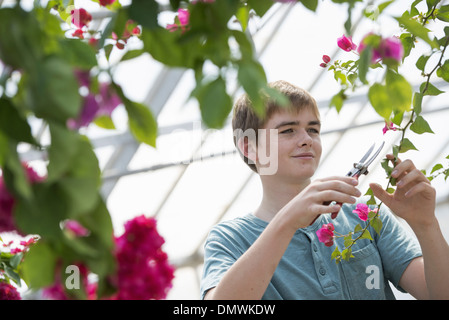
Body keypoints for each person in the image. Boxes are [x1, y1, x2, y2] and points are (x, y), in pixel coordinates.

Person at [200, 80, 449, 300]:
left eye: (313, 129)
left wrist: (426, 225)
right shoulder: (230, 239)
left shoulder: (366, 216)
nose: (307, 139)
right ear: (249, 147)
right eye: (288, 130)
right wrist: (287, 221)